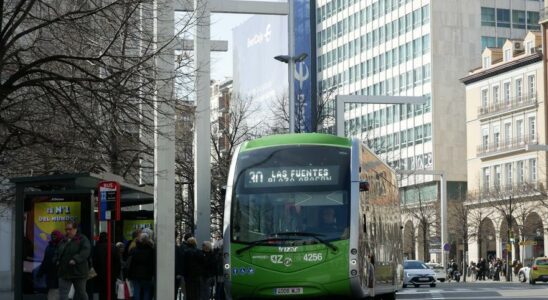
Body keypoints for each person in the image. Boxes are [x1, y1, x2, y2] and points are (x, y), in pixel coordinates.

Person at [56, 221, 91, 300]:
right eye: (66, 229)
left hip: (78, 272)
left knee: (81, 293)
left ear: (75, 229)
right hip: (64, 272)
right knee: (63, 294)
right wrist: (56, 259)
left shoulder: (82, 239)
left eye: (70, 229)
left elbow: (86, 251)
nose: (68, 231)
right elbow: (57, 251)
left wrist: (75, 259)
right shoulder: (63, 240)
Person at [127, 232, 155, 300]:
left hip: (135, 275)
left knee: (136, 291)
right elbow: (152, 263)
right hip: (147, 275)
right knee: (146, 292)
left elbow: (131, 262)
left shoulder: (134, 249)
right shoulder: (151, 250)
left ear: (140, 240)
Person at [93, 232, 121, 300]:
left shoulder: (97, 247)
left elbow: (94, 261)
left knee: (102, 292)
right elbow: (117, 261)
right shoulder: (113, 246)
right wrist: (117, 273)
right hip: (112, 273)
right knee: (111, 290)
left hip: (100, 273)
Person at [38, 230, 63, 300]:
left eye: (55, 236)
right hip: (51, 275)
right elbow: (45, 261)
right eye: (52, 236)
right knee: (52, 293)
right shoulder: (49, 247)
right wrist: (40, 272)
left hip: (61, 275)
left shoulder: (63, 245)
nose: (54, 237)